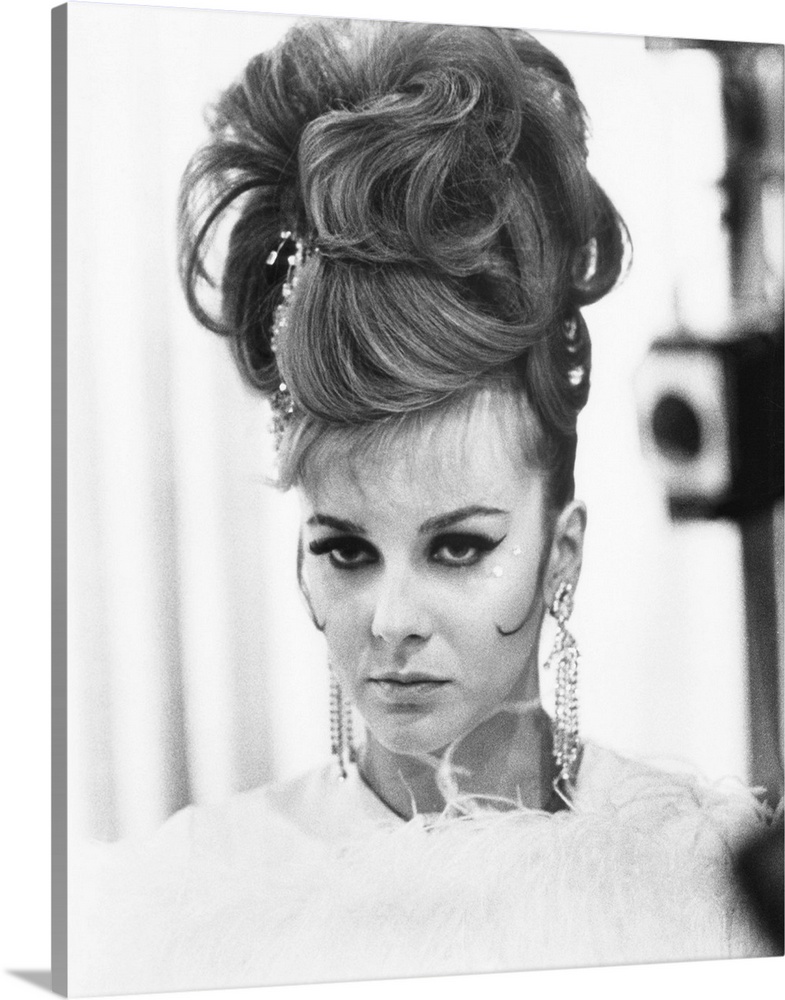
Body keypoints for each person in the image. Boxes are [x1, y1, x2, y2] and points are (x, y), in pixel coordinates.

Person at [69, 18, 778, 997]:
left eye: (456, 547)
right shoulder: (177, 904)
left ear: (562, 552)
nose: (391, 622)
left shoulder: (704, 886)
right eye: (347, 551)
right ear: (300, 562)